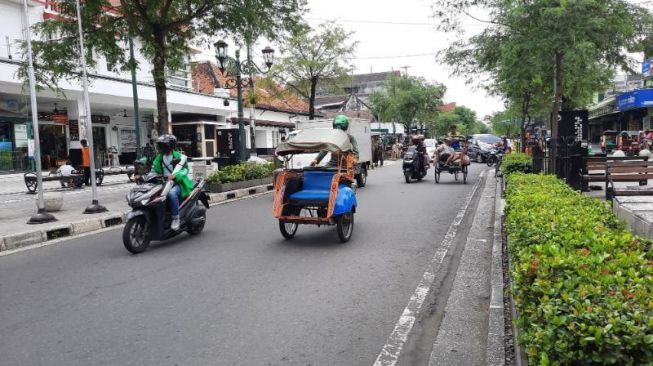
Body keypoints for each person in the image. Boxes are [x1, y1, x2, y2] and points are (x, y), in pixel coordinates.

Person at [151, 134, 194, 230]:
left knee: (171, 194)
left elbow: (185, 170)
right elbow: (153, 170)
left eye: (163, 145)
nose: (160, 148)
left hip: (177, 183)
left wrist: (175, 176)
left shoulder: (179, 157)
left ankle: (175, 218)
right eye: (160, 145)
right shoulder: (159, 157)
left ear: (170, 146)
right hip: (162, 182)